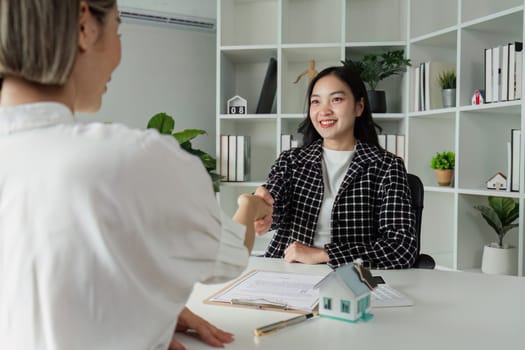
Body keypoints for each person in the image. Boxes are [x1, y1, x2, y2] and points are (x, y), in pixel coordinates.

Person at [0, 1, 273, 349]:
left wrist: (142, 308)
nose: (118, 52)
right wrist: (248, 208)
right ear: (85, 25)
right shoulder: (134, 159)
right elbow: (230, 257)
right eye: (118, 28)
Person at [255, 66, 417, 269]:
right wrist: (264, 210)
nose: (324, 111)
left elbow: (401, 248)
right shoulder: (290, 160)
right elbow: (276, 203)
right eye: (316, 101)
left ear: (359, 107)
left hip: (353, 277)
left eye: (336, 99)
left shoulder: (387, 167)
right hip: (289, 272)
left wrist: (325, 255)